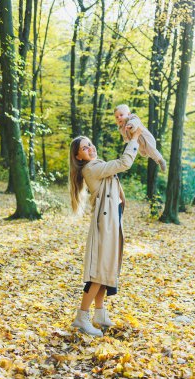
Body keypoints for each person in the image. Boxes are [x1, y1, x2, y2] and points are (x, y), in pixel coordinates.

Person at [69, 129, 141, 337]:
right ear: (78, 156)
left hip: (112, 221)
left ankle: (99, 313)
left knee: (106, 269)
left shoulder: (97, 165)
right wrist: (134, 140)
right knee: (98, 272)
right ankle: (82, 317)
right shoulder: (91, 168)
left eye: (90, 144)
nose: (89, 148)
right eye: (84, 147)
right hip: (105, 225)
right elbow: (124, 163)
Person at [114, 104, 167, 172]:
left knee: (151, 150)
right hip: (139, 143)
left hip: (146, 139)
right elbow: (126, 137)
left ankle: (161, 160)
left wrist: (130, 125)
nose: (119, 118)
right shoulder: (121, 128)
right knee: (144, 153)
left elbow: (135, 122)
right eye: (116, 117)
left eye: (121, 115)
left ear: (128, 114)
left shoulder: (132, 117)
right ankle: (152, 157)